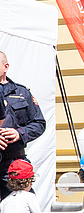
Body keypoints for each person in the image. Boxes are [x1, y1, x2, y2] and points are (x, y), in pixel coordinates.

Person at [0, 51, 46, 199]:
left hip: (13, 164)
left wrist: (19, 133)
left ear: (5, 66)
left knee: (22, 208)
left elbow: (39, 123)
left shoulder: (21, 92)